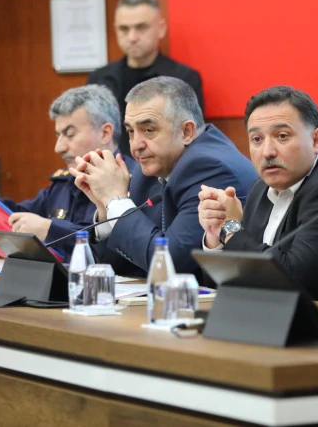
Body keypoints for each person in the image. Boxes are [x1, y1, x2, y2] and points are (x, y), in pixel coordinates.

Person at [198, 86, 318, 307]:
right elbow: (232, 283)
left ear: (316, 140)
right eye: (257, 139)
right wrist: (216, 233)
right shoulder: (261, 188)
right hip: (274, 316)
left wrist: (231, 229)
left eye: (282, 136)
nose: (267, 151)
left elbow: (287, 278)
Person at [70, 76, 257, 280]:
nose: (136, 145)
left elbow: (167, 264)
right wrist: (106, 208)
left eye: (148, 130)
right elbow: (115, 264)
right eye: (131, 132)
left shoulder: (209, 168)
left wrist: (115, 200)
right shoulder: (151, 169)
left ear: (186, 132)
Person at [0, 85, 133, 259]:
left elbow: (117, 251)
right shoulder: (64, 181)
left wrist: (50, 229)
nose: (59, 147)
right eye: (58, 135)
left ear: (105, 133)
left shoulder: (133, 181)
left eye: (70, 134)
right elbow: (22, 214)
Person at [87, 0, 204, 156]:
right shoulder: (99, 80)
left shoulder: (183, 78)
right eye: (124, 29)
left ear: (161, 28)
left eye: (141, 28)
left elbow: (192, 140)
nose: (132, 37)